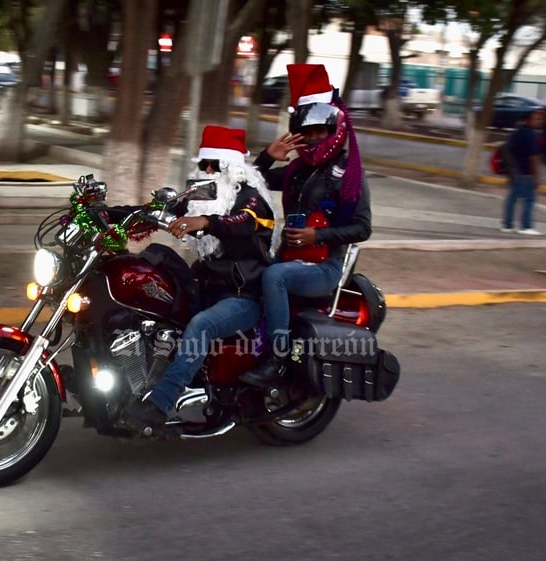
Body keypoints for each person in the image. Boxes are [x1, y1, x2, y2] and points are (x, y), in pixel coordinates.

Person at [123, 125, 281, 431]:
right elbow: (159, 209)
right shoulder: (203, 196)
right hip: (208, 287)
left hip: (244, 295)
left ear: (233, 168)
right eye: (203, 164)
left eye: (214, 165)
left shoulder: (250, 198)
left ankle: (160, 404)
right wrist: (112, 215)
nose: (208, 170)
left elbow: (243, 223)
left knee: (202, 325)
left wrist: (206, 221)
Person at [239, 63, 372, 387]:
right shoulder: (298, 170)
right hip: (288, 256)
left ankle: (277, 359)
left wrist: (317, 235)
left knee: (275, 276)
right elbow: (253, 182)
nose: (313, 140)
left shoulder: (347, 174)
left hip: (325, 267)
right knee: (241, 270)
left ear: (334, 130)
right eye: (307, 134)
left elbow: (362, 228)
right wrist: (267, 156)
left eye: (319, 133)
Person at [501, 109, 544, 236]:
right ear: (528, 120)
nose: (539, 121)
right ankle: (526, 226)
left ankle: (507, 225)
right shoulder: (531, 135)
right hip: (526, 172)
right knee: (529, 200)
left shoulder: (516, 133)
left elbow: (508, 151)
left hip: (514, 171)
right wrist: (537, 176)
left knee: (512, 199)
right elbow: (534, 157)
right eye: (536, 119)